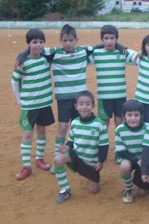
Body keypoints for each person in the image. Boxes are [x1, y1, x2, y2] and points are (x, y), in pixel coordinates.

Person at [16, 24, 100, 172]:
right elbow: (35, 48)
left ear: (76, 40)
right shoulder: (54, 53)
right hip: (63, 99)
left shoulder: (83, 51)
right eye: (65, 40)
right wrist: (21, 55)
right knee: (62, 128)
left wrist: (118, 45)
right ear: (60, 40)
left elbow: (101, 45)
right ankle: (57, 160)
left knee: (78, 127)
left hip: (80, 99)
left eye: (71, 40)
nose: (68, 43)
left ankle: (77, 157)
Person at [11, 29, 55, 180]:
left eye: (41, 42)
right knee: (28, 134)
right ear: (28, 43)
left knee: (42, 130)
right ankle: (26, 166)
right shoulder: (23, 62)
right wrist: (19, 100)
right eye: (34, 42)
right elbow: (14, 82)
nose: (38, 45)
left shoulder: (46, 58)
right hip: (29, 105)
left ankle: (39, 158)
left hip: (44, 103)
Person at [53, 91, 109, 203]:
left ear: (93, 106)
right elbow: (71, 140)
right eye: (81, 104)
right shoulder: (74, 122)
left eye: (88, 104)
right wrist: (67, 147)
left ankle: (94, 179)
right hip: (76, 156)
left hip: (91, 163)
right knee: (58, 159)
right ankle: (65, 190)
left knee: (93, 190)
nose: (84, 107)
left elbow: (104, 146)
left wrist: (101, 161)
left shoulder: (99, 124)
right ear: (76, 106)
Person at [92, 25, 137, 163]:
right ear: (102, 39)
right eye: (106, 38)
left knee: (119, 123)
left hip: (120, 95)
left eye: (112, 38)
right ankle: (101, 151)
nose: (109, 41)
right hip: (104, 97)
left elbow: (137, 57)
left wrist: (122, 47)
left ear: (116, 39)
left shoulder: (122, 53)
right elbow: (82, 53)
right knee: (103, 125)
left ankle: (119, 151)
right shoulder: (96, 53)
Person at [115, 100, 149, 203]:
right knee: (124, 166)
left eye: (136, 115)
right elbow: (121, 151)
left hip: (144, 159)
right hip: (130, 158)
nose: (133, 118)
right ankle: (129, 189)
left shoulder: (147, 127)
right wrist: (136, 160)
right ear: (123, 116)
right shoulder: (120, 130)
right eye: (129, 115)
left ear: (142, 116)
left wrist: (144, 161)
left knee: (142, 193)